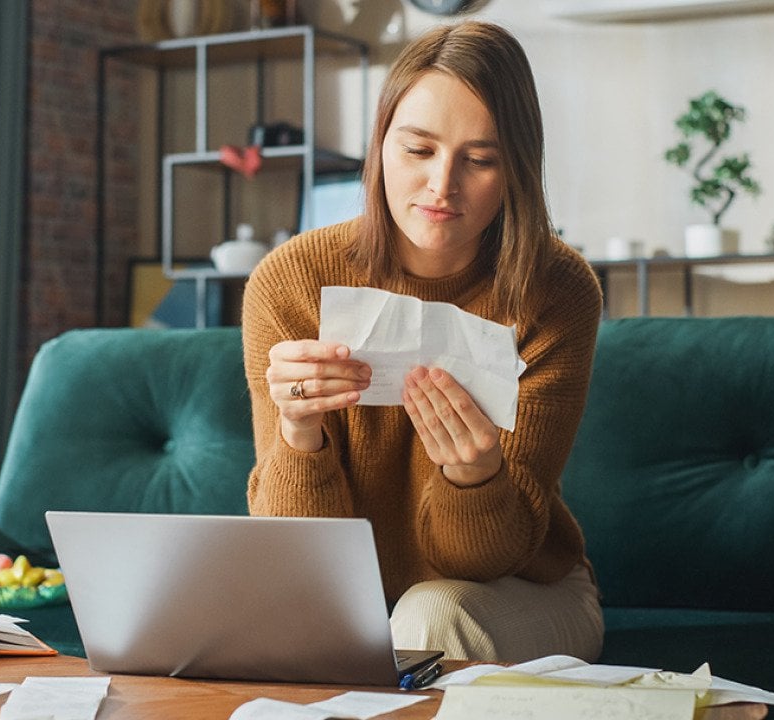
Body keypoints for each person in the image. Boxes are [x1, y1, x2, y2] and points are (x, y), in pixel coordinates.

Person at [241, 20, 603, 663]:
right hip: (351, 603)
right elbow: (297, 560)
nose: (443, 185)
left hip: (512, 589)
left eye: (480, 159)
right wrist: (299, 436)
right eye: (418, 150)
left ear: (515, 169)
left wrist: (475, 477)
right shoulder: (291, 282)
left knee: (430, 614)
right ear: (380, 147)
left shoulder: (556, 289)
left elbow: (489, 558)